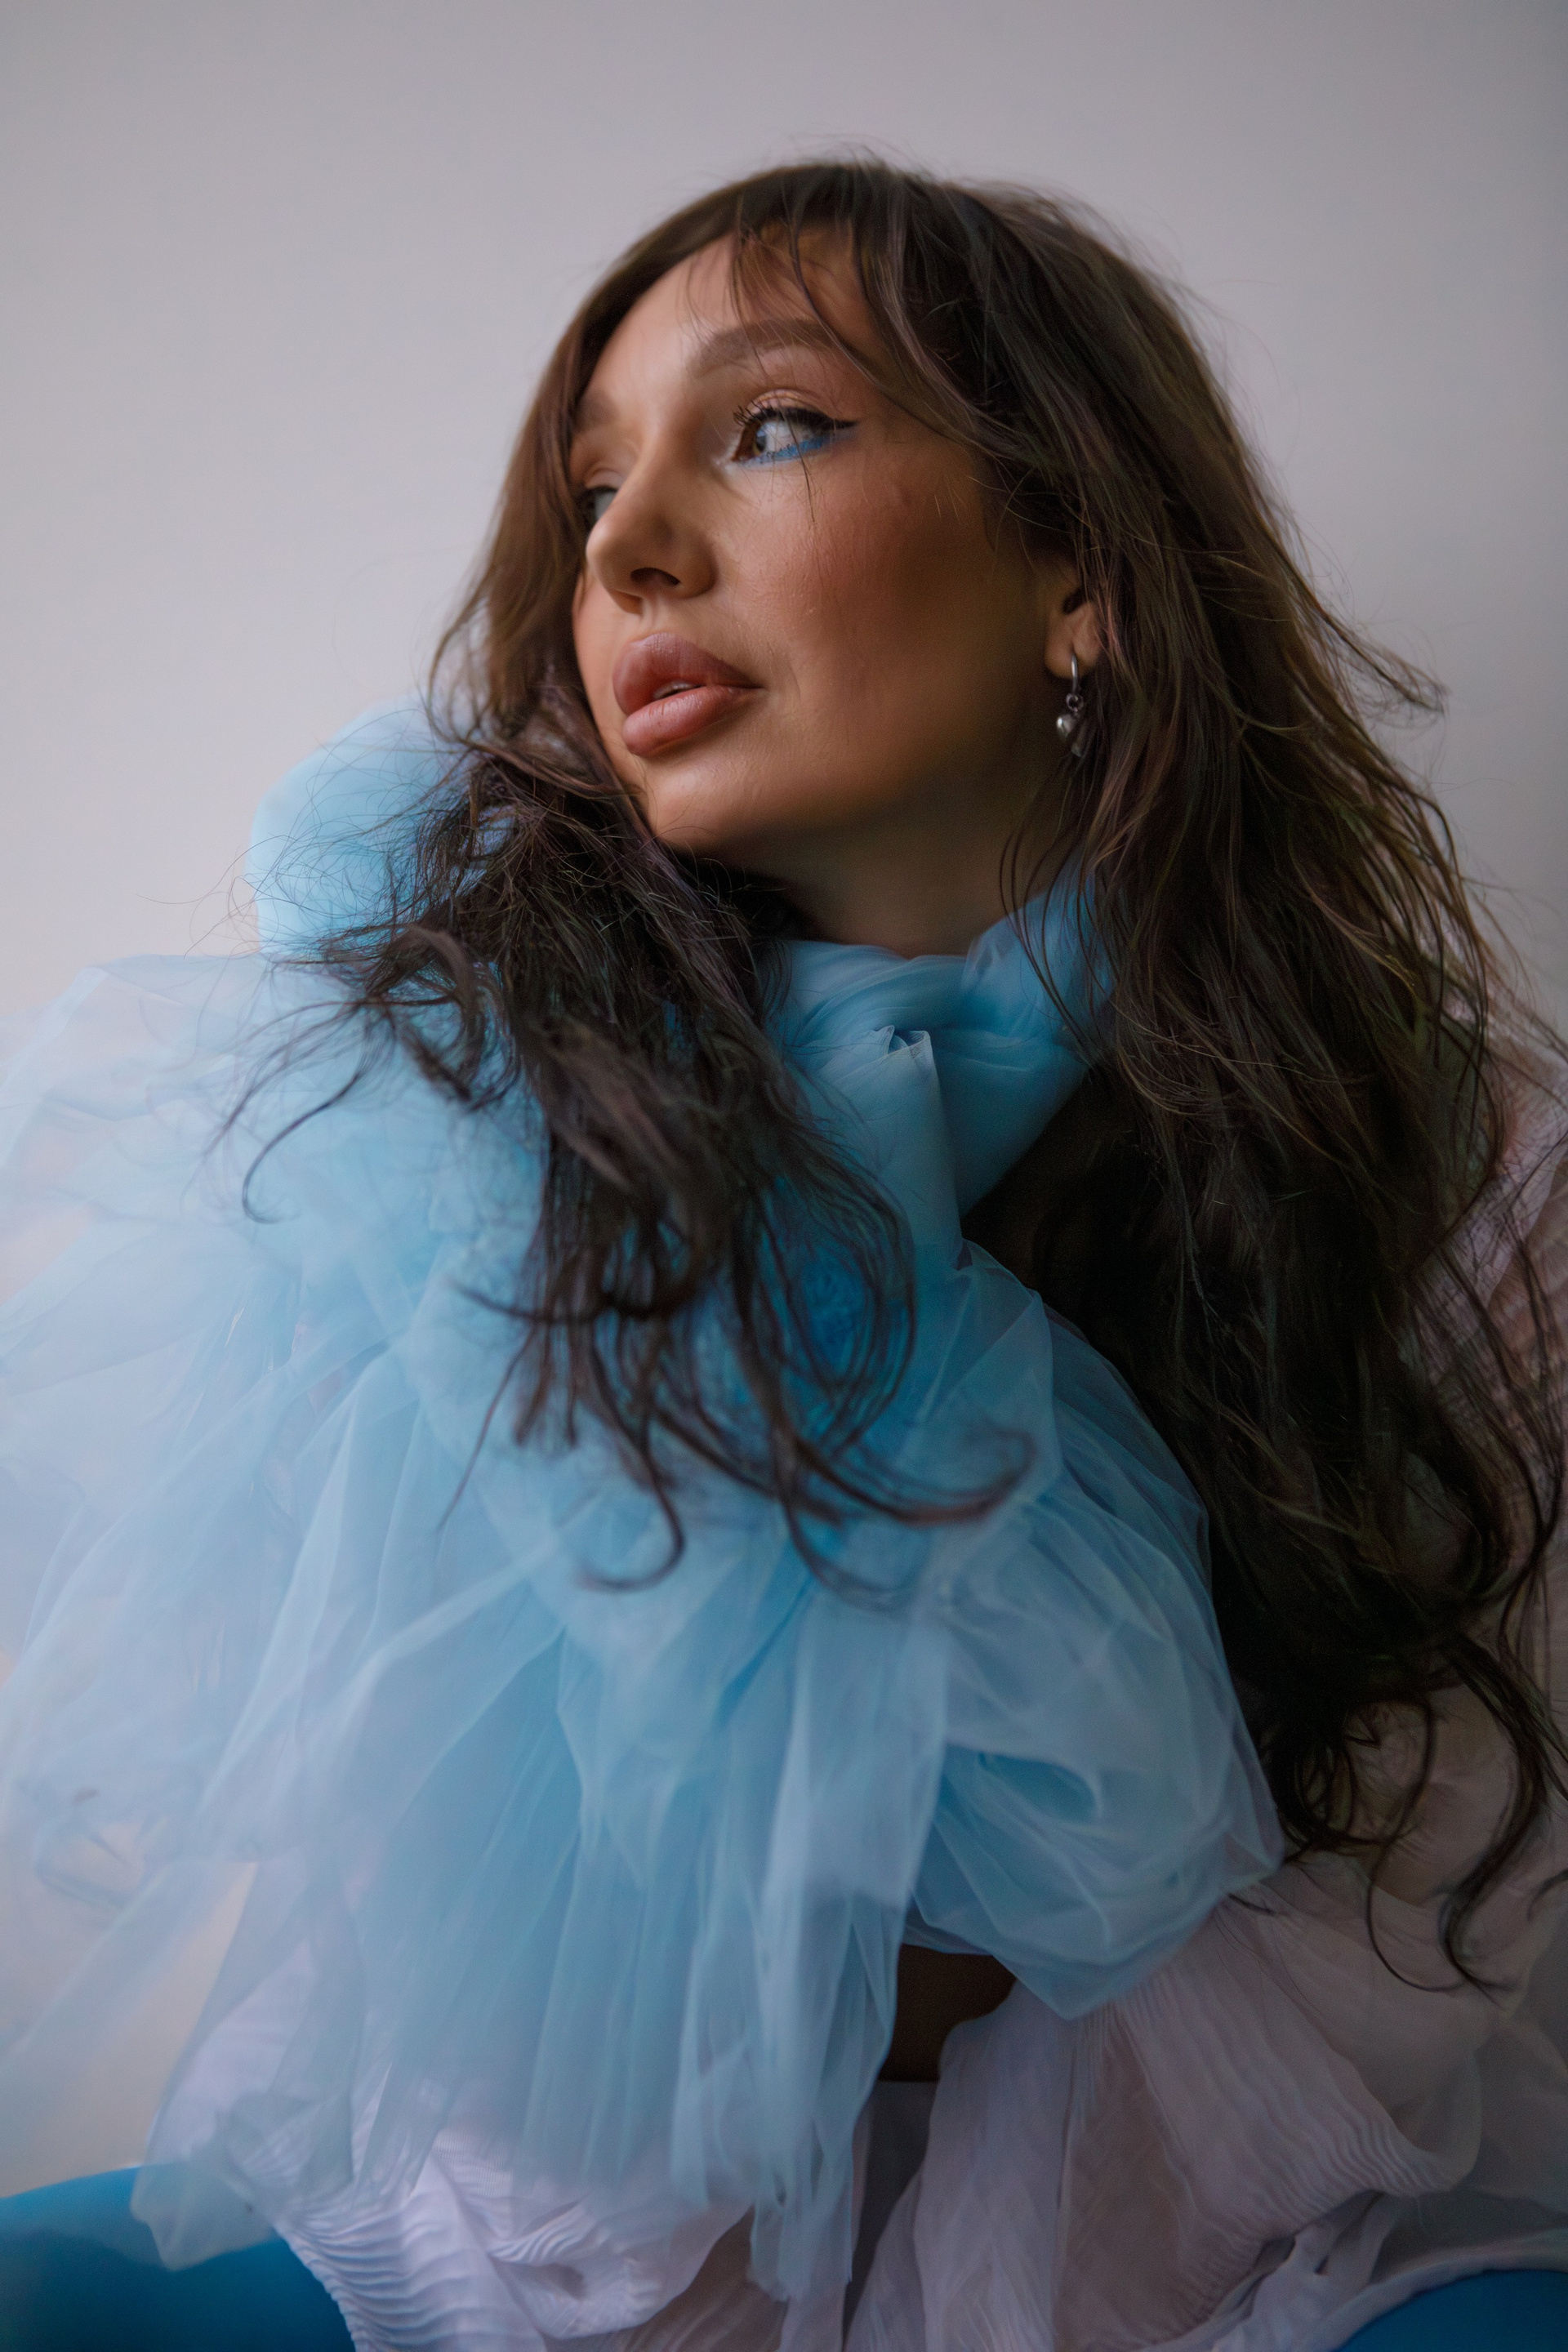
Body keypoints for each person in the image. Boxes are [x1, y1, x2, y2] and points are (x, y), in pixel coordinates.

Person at [0, 160, 1564, 2352]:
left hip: (1225, 2268)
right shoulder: (459, 1122)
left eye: (772, 427)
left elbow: (1378, 1951)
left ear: (1081, 568)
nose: (628, 548)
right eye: (592, 487)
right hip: (573, 2267)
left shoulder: (1459, 1171)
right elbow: (497, 1989)